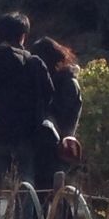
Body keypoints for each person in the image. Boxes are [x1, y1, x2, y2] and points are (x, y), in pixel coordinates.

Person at [0, 13, 54, 212]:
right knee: (26, 180)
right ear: (24, 36)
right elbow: (48, 95)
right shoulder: (35, 63)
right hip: (27, 132)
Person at [28, 36, 83, 203]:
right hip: (52, 143)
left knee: (51, 191)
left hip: (56, 144)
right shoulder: (62, 81)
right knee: (47, 192)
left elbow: (63, 114)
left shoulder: (65, 83)